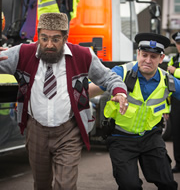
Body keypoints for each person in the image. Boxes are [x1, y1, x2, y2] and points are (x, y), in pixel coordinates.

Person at [0, 12, 128, 190]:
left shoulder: (83, 55)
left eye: (55, 39)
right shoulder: (23, 53)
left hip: (69, 131)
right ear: (38, 35)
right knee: (42, 184)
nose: (49, 44)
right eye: (44, 38)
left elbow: (108, 77)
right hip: (36, 130)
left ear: (65, 37)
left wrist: (120, 91)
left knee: (65, 185)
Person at [89, 33, 180, 189]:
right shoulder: (121, 73)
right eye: (144, 55)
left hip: (151, 138)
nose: (148, 60)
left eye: (153, 56)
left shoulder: (168, 81)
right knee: (129, 186)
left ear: (161, 58)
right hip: (121, 137)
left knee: (168, 184)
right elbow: (90, 91)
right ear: (138, 53)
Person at [167, 31, 180, 173]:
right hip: (176, 102)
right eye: (177, 43)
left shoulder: (174, 65)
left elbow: (172, 73)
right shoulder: (174, 59)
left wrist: (175, 71)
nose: (179, 46)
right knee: (176, 133)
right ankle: (179, 163)